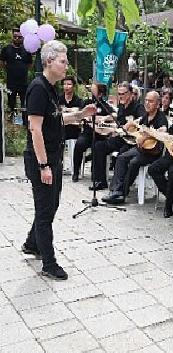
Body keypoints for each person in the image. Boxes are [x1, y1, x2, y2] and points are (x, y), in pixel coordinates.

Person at [21, 40, 96, 280]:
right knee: (45, 213)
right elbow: (36, 130)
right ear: (49, 61)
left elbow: (56, 119)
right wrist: (44, 166)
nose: (66, 67)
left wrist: (81, 114)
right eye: (63, 61)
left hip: (53, 159)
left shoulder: (51, 88)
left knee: (50, 207)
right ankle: (49, 264)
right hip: (41, 160)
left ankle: (32, 244)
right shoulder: (38, 88)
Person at [102, 91, 168, 205]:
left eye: (151, 101)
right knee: (121, 157)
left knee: (134, 162)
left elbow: (163, 131)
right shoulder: (146, 116)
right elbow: (136, 124)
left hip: (153, 153)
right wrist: (124, 127)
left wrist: (147, 135)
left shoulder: (161, 117)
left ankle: (122, 193)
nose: (147, 103)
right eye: (146, 100)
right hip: (141, 149)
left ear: (157, 104)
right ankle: (116, 190)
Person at [90, 82, 145, 191]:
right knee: (98, 146)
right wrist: (108, 129)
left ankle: (119, 188)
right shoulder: (121, 107)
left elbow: (142, 120)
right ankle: (100, 181)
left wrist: (131, 124)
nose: (121, 96)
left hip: (131, 141)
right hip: (119, 138)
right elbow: (119, 124)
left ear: (130, 93)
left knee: (122, 154)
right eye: (119, 94)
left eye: (123, 94)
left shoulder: (138, 106)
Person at [70, 82, 114, 182]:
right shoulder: (86, 103)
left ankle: (96, 175)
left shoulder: (104, 105)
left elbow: (113, 115)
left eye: (94, 90)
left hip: (100, 135)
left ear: (100, 94)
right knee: (79, 144)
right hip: (87, 133)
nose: (91, 92)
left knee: (98, 146)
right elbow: (80, 114)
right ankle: (76, 172)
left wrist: (103, 118)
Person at [0, 30, 32, 123]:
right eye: (15, 37)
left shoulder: (27, 50)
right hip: (11, 82)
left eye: (19, 37)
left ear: (22, 38)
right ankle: (12, 121)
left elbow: (30, 64)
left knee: (24, 103)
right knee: (11, 103)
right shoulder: (6, 49)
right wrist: (9, 69)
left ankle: (24, 121)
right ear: (12, 37)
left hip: (23, 82)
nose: (17, 38)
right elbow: (1, 62)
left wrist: (22, 69)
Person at [59, 76, 83, 141]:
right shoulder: (58, 100)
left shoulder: (79, 101)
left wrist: (65, 111)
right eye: (64, 84)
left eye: (69, 84)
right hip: (60, 135)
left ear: (73, 86)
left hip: (74, 135)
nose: (66, 86)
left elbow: (79, 116)